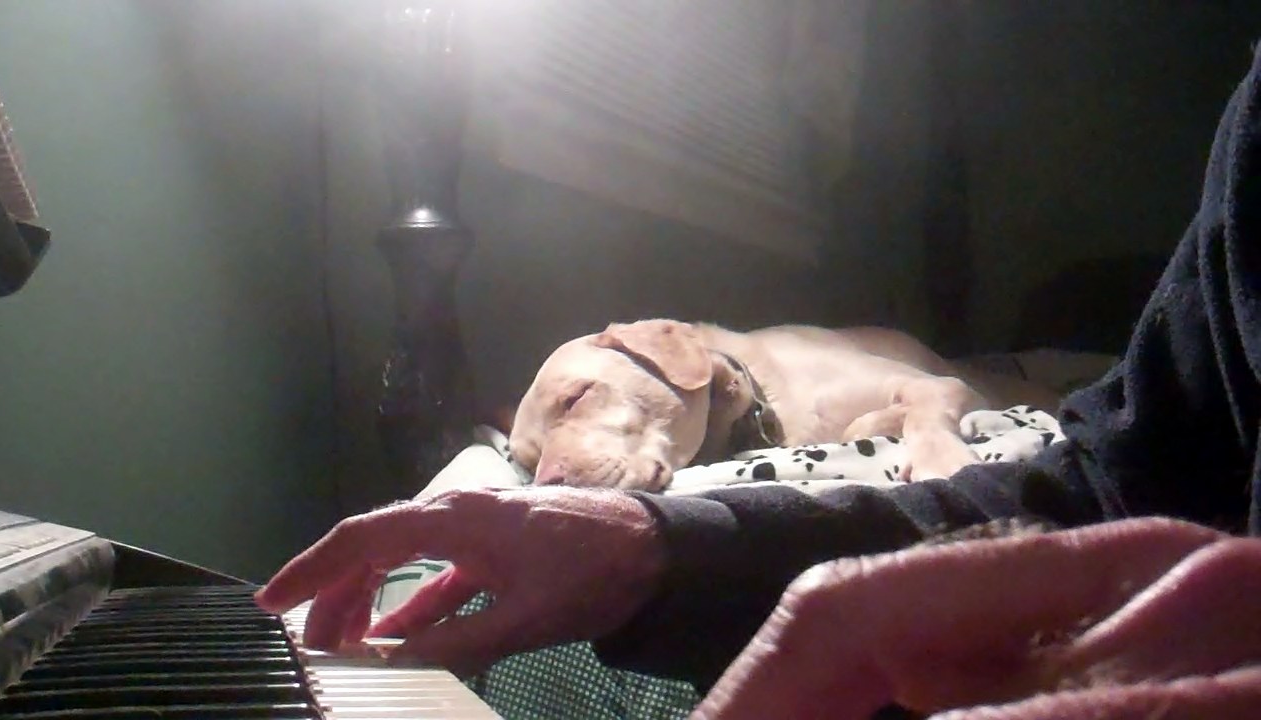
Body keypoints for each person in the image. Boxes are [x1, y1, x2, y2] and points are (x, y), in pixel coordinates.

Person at [256, 42, 1261, 719]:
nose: (552, 464)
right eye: (532, 455)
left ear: (666, 350)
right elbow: (1114, 475)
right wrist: (661, 550)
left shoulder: (765, 361)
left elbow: (941, 402)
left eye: (574, 404)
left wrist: (930, 438)